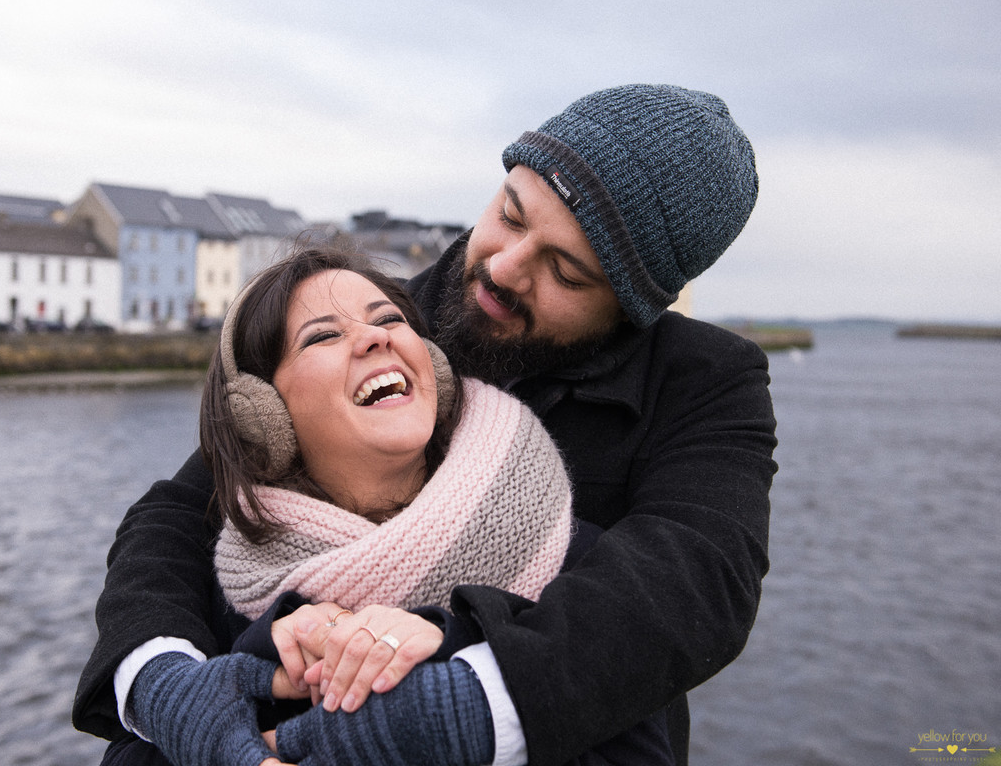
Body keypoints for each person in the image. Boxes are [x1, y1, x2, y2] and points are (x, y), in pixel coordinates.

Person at [74, 84, 778, 765]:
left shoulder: (705, 380)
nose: (503, 268)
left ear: (634, 309)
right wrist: (161, 680)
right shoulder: (381, 324)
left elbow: (695, 580)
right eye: (510, 213)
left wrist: (457, 701)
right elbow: (182, 507)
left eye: (563, 271)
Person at [107, 247, 674, 766]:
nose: (376, 339)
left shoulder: (585, 569)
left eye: (388, 319)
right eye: (322, 336)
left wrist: (449, 674)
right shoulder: (220, 602)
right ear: (264, 415)